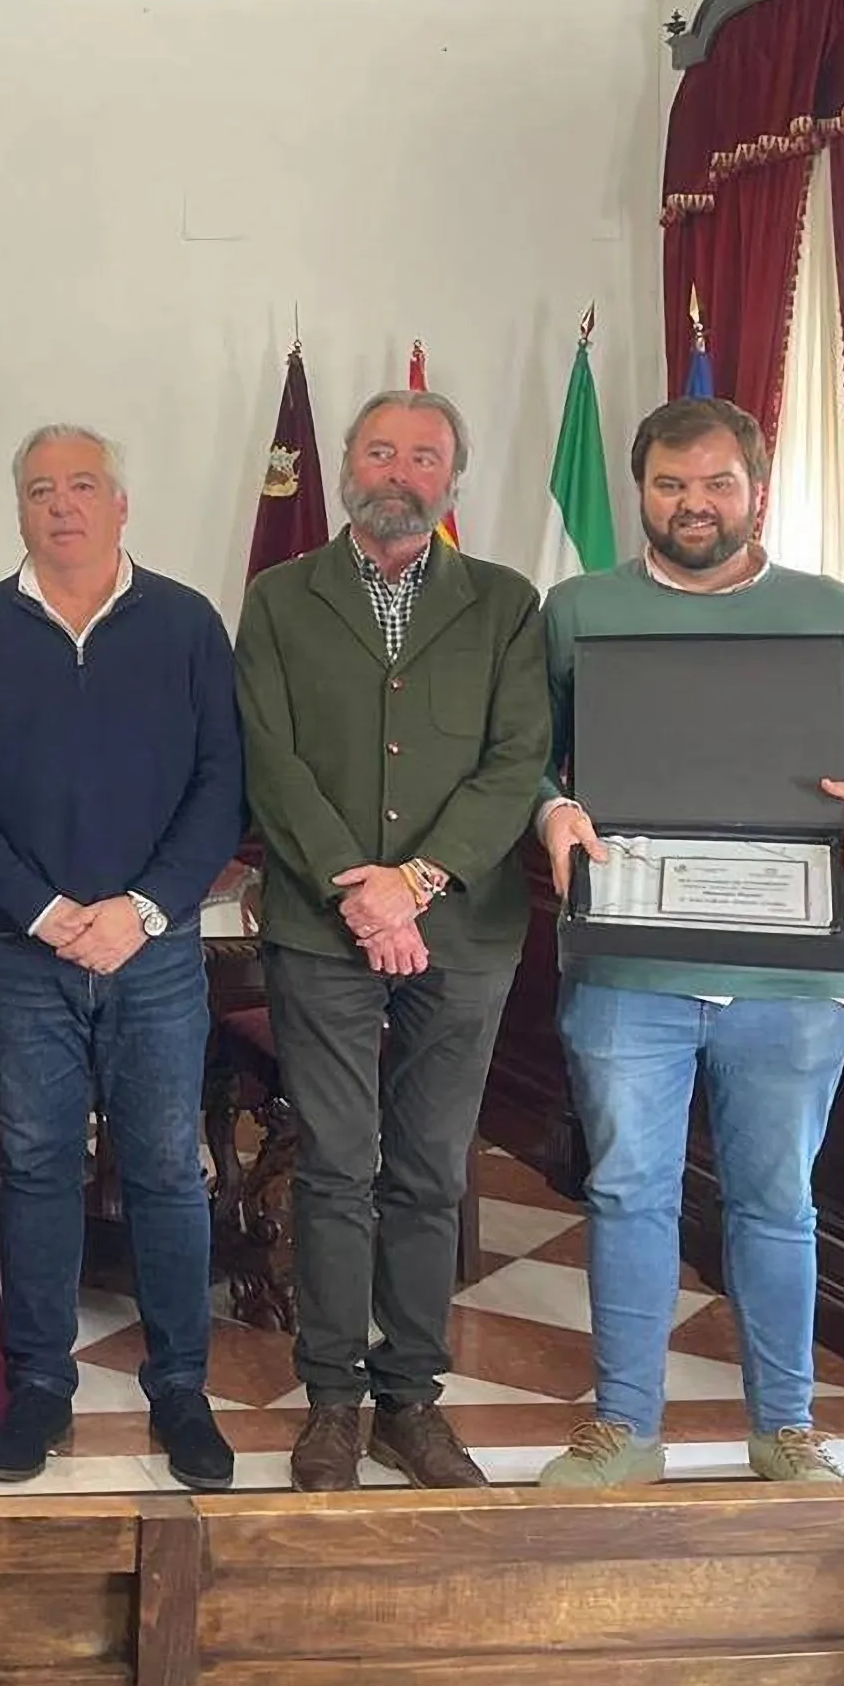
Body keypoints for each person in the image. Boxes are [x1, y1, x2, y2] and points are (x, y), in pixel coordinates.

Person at [535, 396, 844, 1489]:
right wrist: (547, 810)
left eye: (715, 483)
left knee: (776, 1203)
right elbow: (523, 751)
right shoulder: (577, 610)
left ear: (755, 489)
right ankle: (624, 1429)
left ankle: (784, 1427)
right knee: (627, 1194)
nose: (692, 504)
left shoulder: (831, 611)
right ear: (640, 492)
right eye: (669, 484)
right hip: (629, 963)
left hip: (787, 971)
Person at [0, 423, 246, 1491]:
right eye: (42, 488)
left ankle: (180, 1388)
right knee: (38, 1167)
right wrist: (43, 909)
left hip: (154, 951)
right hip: (26, 952)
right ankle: (39, 1385)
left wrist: (141, 909)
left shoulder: (185, 624)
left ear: (120, 504)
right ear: (17, 510)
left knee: (166, 1170)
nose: (63, 504)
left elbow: (223, 784)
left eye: (84, 485)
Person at [234, 390, 551, 1492]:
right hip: (321, 930)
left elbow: (516, 761)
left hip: (463, 930)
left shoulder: (506, 604)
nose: (399, 473)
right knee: (333, 1167)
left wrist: (414, 882)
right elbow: (270, 760)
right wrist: (359, 891)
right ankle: (331, 1401)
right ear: (347, 468)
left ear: (452, 479)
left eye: (423, 457)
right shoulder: (279, 599)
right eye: (380, 451)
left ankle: (409, 1402)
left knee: (427, 1172)